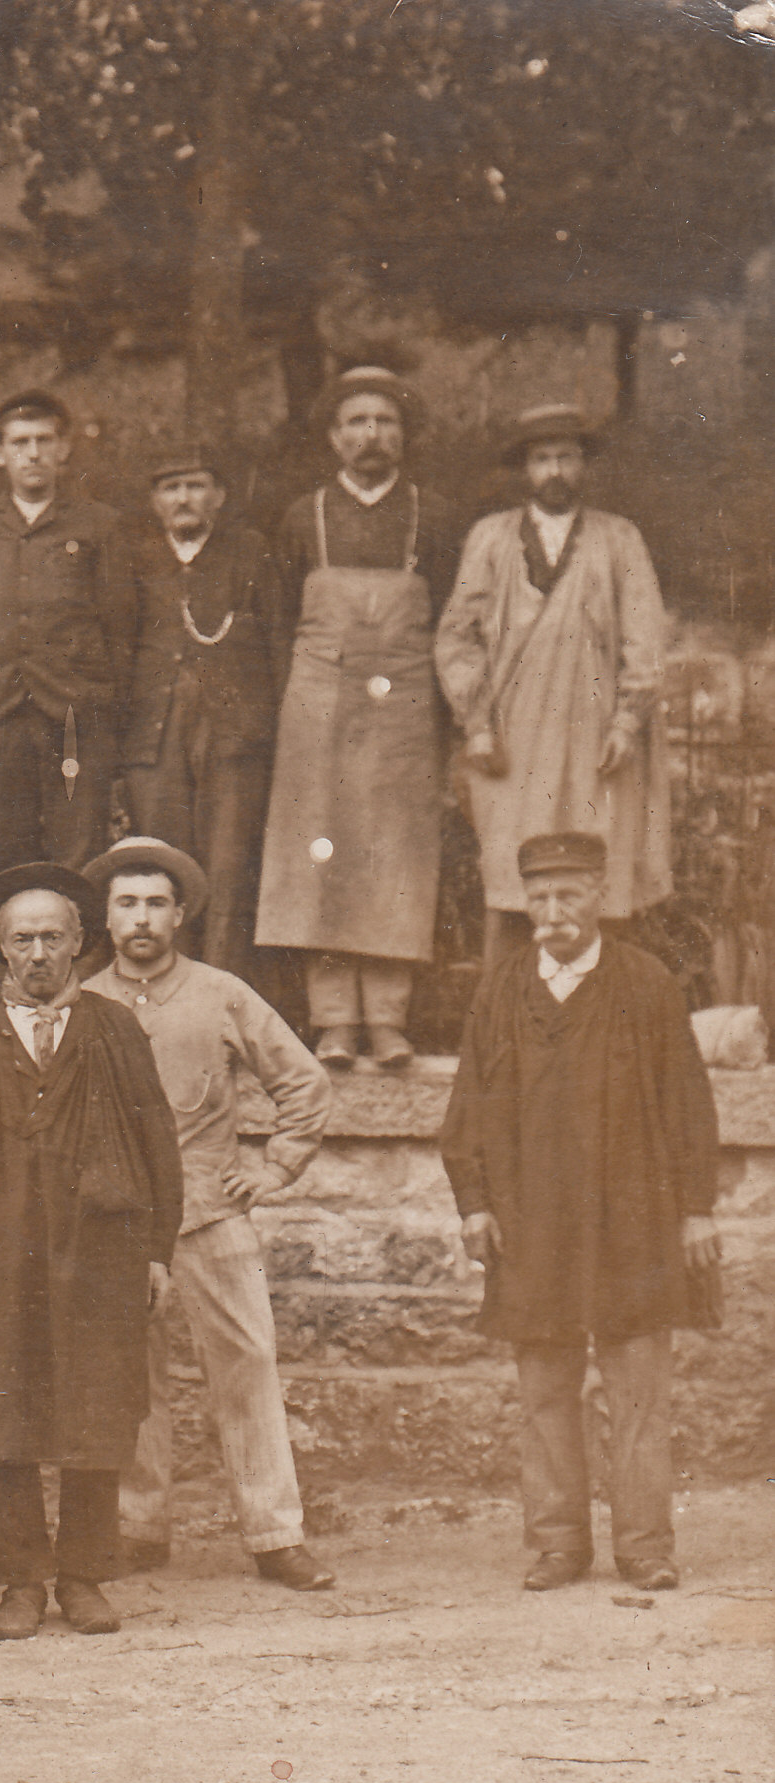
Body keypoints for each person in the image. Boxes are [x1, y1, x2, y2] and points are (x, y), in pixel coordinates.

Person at [442, 831, 721, 1593]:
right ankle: (559, 1543)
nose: (553, 911)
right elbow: (466, 1102)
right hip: (532, 1221)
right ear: (523, 901)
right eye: (538, 897)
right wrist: (473, 1204)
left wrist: (696, 1209)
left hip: (635, 1219)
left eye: (568, 895)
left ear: (599, 894)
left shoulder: (646, 983)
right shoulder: (501, 989)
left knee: (636, 1388)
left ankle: (643, 1545)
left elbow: (688, 1103)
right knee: (543, 1389)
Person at [0, 864, 184, 1641]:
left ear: (77, 944)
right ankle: (21, 1582)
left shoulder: (113, 1028)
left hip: (99, 1246)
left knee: (94, 1408)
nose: (36, 952)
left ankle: (84, 1576)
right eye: (21, 939)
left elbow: (155, 1140)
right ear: (0, 948)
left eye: (51, 938)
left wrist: (156, 1249)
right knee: (6, 1408)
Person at [81, 838, 336, 1592]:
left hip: (211, 1212)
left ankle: (273, 1532)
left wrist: (271, 1165)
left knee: (247, 1364)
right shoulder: (84, 1001)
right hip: (118, 1222)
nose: (140, 918)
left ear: (179, 913)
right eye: (126, 902)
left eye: (155, 903)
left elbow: (303, 1082)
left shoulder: (219, 992)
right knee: (132, 1374)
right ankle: (136, 1524)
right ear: (105, 914)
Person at [261, 366, 466, 1071]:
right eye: (355, 422)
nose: (369, 434)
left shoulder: (432, 516)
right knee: (320, 851)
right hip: (318, 703)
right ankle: (332, 1023)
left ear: (403, 436)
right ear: (332, 437)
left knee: (393, 853)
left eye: (384, 421)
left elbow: (455, 623)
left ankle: (386, 1020)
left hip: (406, 706)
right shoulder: (302, 516)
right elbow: (278, 619)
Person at [437, 405, 671, 961]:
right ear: (525, 470)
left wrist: (627, 721)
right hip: (511, 738)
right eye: (542, 459)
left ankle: (601, 1022)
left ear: (584, 464)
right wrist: (477, 726)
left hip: (597, 737)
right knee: (513, 875)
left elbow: (645, 637)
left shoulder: (620, 539)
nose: (555, 471)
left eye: (566, 457)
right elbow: (457, 637)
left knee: (601, 874)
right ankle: (508, 1023)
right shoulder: (490, 539)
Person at [114, 455, 288, 986]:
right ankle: (164, 991)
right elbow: (119, 650)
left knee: (229, 870)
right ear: (155, 502)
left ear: (219, 496)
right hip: (155, 734)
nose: (184, 498)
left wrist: (275, 731)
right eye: (171, 487)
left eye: (196, 486)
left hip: (233, 736)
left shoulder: (251, 553)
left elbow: (280, 644)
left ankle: (221, 997)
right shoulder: (138, 559)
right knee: (167, 869)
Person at [0, 390, 138, 881]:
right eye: (19, 442)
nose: (32, 453)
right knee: (0, 854)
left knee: (78, 854)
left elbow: (121, 628)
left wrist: (111, 715)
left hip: (78, 714)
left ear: (63, 449)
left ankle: (78, 957)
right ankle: (3, 958)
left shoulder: (100, 525)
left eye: (43, 441)